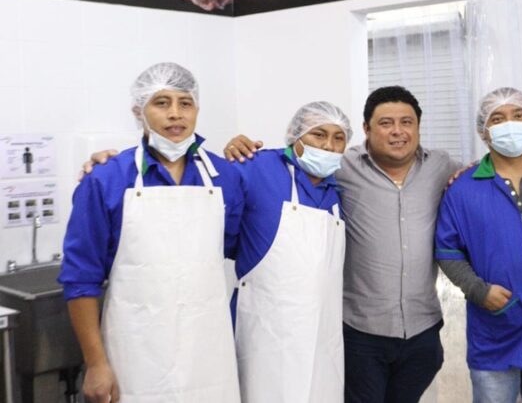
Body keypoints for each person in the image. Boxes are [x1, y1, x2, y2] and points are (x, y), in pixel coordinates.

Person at [225, 86, 463, 403]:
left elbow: (482, 175)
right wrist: (236, 148)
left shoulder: (440, 166)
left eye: (406, 122)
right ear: (366, 129)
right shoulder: (338, 167)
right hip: (356, 332)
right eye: (385, 123)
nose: (397, 131)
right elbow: (231, 222)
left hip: (420, 329)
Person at [59, 62, 243, 403]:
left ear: (197, 110)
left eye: (185, 103)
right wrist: (96, 363)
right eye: (161, 102)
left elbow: (238, 246)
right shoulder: (106, 178)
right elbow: (80, 278)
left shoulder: (225, 177)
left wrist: (244, 149)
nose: (175, 114)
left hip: (208, 355)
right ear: (138, 111)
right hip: (136, 356)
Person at [435, 87, 522, 403]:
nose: (509, 124)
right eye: (497, 119)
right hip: (495, 327)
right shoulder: (463, 189)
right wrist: (478, 291)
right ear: (483, 131)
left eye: (518, 115)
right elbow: (447, 249)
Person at [231, 101, 352, 402]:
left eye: (338, 138)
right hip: (266, 334)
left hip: (322, 339)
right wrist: (232, 150)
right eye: (318, 134)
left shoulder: (337, 191)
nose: (328, 145)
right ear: (295, 135)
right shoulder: (256, 167)